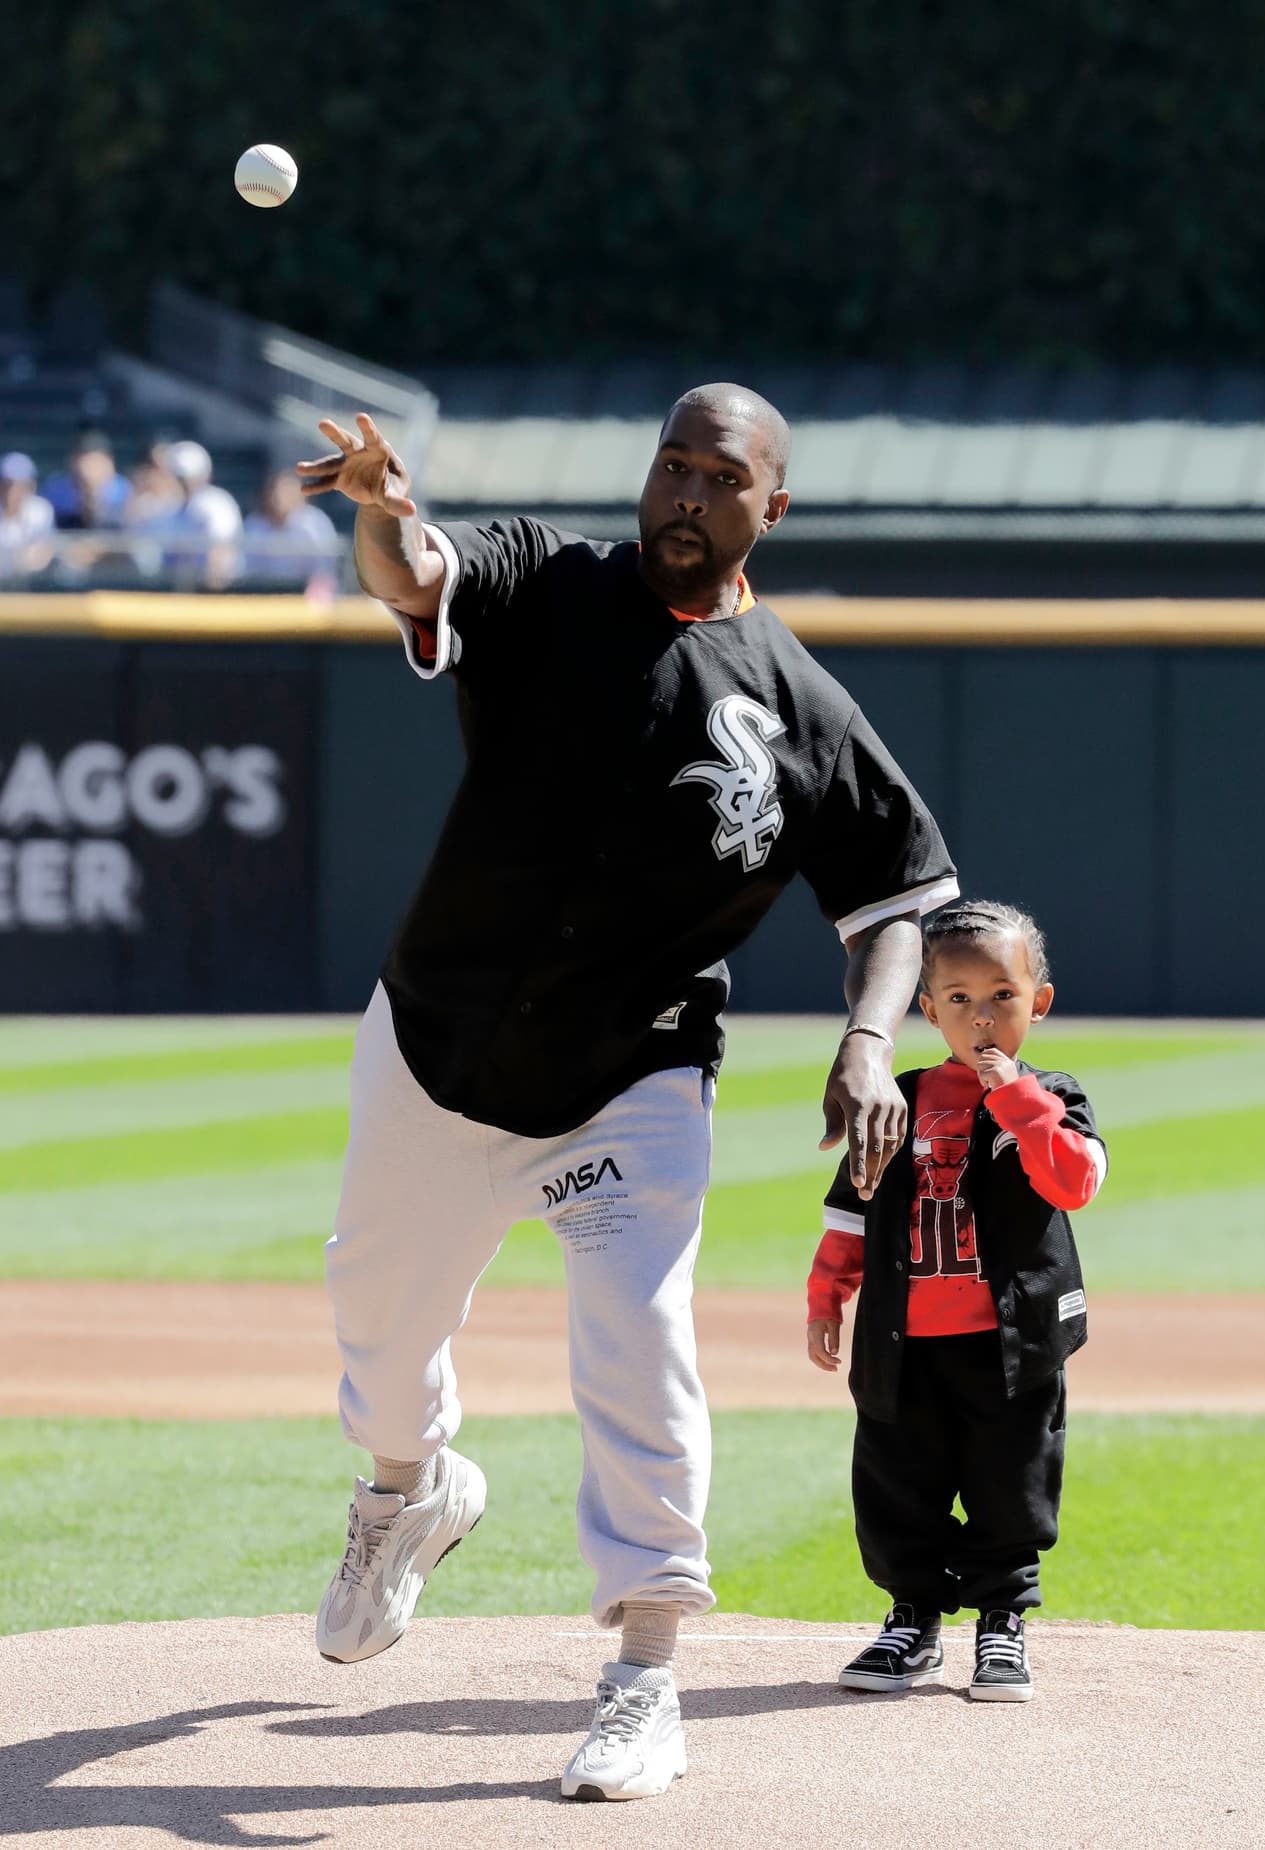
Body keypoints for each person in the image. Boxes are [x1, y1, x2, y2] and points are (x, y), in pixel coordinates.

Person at [296, 386, 958, 1801]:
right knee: (377, 1328)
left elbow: (902, 896)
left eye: (720, 476)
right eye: (671, 462)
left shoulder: (800, 704)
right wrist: (381, 511)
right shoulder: (552, 580)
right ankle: (408, 1492)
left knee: (638, 1345)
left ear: (767, 509)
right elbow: (418, 575)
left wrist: (866, 1037)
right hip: (435, 1041)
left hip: (634, 1077)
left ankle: (645, 1674)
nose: (684, 492)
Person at [806, 899, 1107, 1703]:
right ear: (927, 1007)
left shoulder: (1052, 1095)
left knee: (1011, 1481)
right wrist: (827, 1294)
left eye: (1003, 997)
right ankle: (913, 1619)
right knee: (898, 1480)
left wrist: (1015, 1098)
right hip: (905, 1344)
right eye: (961, 999)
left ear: (1037, 1002)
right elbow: (853, 1208)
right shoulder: (897, 1098)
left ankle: (1002, 1624)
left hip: (1009, 1346)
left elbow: (1072, 1181)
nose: (982, 1019)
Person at [144, 439, 244, 588]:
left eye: (186, 477)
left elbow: (222, 554)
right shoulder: (169, 507)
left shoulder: (214, 502)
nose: (184, 483)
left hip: (215, 590)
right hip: (178, 587)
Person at [242, 467, 339, 594]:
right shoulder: (254, 525)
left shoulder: (315, 524)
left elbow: (325, 571)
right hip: (263, 594)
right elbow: (246, 572)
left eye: (287, 491)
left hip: (308, 594)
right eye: (275, 491)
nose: (279, 497)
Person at [42, 430, 131, 531]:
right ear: (73, 461)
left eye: (97, 462)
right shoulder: (57, 489)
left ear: (110, 462)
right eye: (86, 461)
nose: (91, 469)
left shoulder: (125, 489)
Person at [0, 452, 55, 579]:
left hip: (33, 585)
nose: (12, 492)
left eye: (21, 485)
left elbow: (42, 556)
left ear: (32, 486)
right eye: (7, 485)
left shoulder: (41, 510)